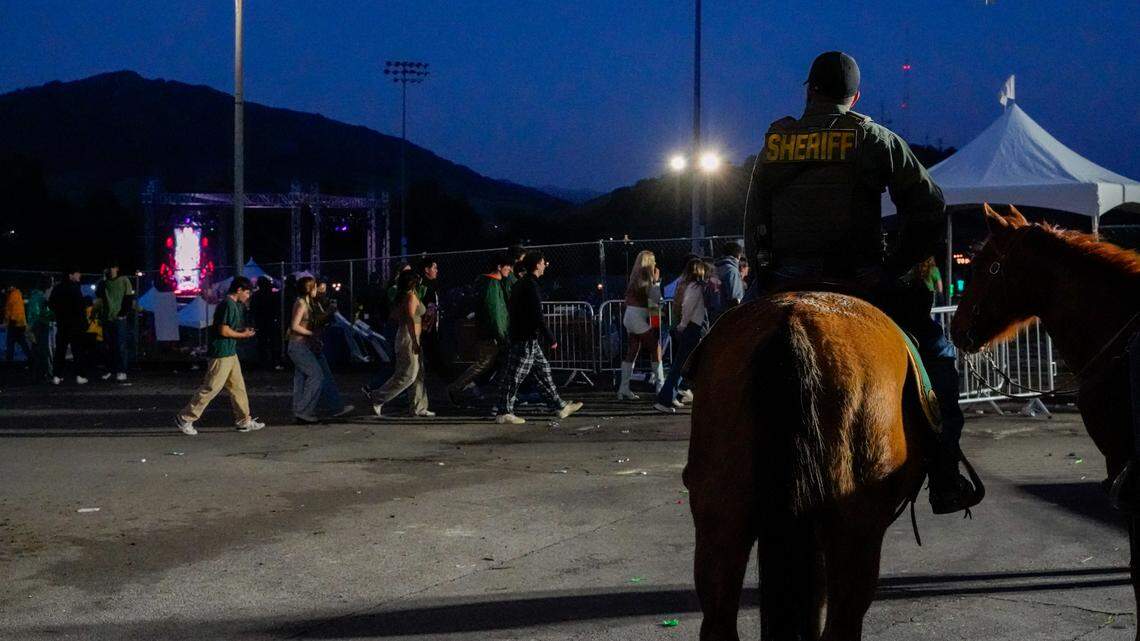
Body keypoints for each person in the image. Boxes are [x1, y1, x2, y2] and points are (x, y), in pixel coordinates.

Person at [742, 50, 977, 514]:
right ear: (855, 96)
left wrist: (764, 270)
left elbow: (754, 219)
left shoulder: (777, 142)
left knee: (718, 351)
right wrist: (894, 267)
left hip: (783, 278)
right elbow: (929, 206)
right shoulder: (873, 138)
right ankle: (945, 476)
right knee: (938, 356)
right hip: (858, 279)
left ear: (809, 91)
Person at [494, 251, 583, 425]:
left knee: (543, 371)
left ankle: (559, 406)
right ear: (536, 265)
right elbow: (537, 315)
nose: (545, 265)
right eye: (543, 262)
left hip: (524, 335)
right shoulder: (530, 285)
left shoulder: (522, 283)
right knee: (515, 375)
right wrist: (550, 337)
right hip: (525, 337)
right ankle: (504, 411)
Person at [175, 277, 265, 435]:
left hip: (229, 352)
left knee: (238, 387)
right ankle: (185, 417)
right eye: (247, 292)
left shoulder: (232, 305)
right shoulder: (227, 305)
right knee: (212, 387)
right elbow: (223, 330)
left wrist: (241, 331)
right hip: (221, 353)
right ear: (239, 290)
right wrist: (243, 335)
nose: (248, 296)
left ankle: (244, 420)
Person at [363, 270, 435, 418]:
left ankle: (418, 407)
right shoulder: (410, 296)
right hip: (409, 337)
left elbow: (396, 315)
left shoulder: (406, 295)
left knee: (418, 374)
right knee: (408, 375)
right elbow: (409, 319)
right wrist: (414, 341)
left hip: (410, 336)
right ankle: (378, 397)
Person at [447, 254, 512, 405]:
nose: (509, 269)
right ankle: (457, 387)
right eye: (507, 266)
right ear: (499, 267)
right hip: (491, 333)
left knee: (488, 363)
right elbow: (494, 312)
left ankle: (464, 388)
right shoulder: (492, 285)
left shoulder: (490, 283)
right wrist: (500, 334)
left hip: (491, 332)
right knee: (484, 362)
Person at [287, 276, 353, 423]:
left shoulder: (305, 303)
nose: (317, 290)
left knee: (301, 380)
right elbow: (294, 326)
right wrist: (311, 334)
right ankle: (303, 410)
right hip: (298, 346)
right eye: (315, 287)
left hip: (302, 346)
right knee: (316, 376)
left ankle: (300, 410)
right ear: (310, 289)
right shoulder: (302, 304)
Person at [654, 258, 709, 414]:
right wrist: (683, 325)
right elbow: (688, 307)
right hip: (692, 328)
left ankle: (670, 395)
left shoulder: (688, 286)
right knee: (679, 366)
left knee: (681, 365)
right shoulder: (695, 287)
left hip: (690, 327)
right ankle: (665, 398)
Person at [617, 250, 663, 400]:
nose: (655, 263)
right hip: (637, 317)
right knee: (655, 348)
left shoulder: (634, 276)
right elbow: (654, 301)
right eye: (653, 261)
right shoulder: (645, 276)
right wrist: (656, 282)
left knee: (632, 350)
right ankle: (661, 386)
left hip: (630, 316)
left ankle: (623, 388)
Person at [48, 269, 90, 385]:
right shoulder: (75, 288)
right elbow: (80, 307)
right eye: (77, 273)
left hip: (62, 323)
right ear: (71, 275)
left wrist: (59, 313)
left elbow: (51, 303)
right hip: (75, 325)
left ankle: (57, 375)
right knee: (77, 351)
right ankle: (80, 375)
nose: (80, 275)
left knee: (60, 350)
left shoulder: (58, 288)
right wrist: (84, 323)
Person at [98, 262, 135, 382]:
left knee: (120, 345)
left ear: (117, 269)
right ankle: (110, 369)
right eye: (109, 268)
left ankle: (121, 370)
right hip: (107, 318)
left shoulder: (124, 280)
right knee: (108, 345)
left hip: (119, 318)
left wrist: (122, 314)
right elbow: (99, 295)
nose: (110, 270)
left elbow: (128, 298)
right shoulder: (104, 283)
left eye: (112, 267)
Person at [25, 276, 54, 383]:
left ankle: (37, 375)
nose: (52, 285)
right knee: (43, 351)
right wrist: (53, 314)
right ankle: (44, 375)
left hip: (34, 325)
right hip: (40, 325)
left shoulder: (34, 295)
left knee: (36, 350)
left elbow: (33, 313)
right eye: (51, 282)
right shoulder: (41, 297)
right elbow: (41, 314)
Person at [251, 276, 283, 370]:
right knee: (273, 343)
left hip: (262, 321)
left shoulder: (256, 295)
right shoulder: (273, 295)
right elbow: (278, 308)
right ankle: (274, 362)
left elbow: (253, 309)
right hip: (271, 321)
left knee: (263, 343)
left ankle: (264, 362)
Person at [3, 284, 31, 364]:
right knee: (22, 342)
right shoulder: (16, 295)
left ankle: (9, 361)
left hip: (15, 324)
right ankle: (31, 358)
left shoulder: (14, 296)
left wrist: (11, 321)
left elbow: (15, 310)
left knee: (10, 342)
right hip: (20, 323)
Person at [714, 242, 745, 310]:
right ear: (738, 255)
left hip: (717, 309)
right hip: (730, 310)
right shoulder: (732, 270)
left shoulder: (716, 267)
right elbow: (735, 297)